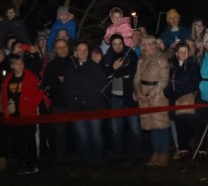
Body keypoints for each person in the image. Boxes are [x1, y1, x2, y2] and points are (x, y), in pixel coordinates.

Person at [63, 42, 108, 167]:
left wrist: (95, 100)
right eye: (80, 50)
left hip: (95, 107)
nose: (82, 52)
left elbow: (103, 85)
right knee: (82, 136)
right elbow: (66, 88)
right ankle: (87, 161)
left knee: (96, 134)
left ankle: (99, 160)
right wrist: (72, 101)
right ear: (75, 52)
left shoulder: (95, 67)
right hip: (77, 109)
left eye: (85, 50)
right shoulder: (70, 68)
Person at [1, 54, 44, 174]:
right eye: (16, 64)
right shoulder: (8, 80)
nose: (19, 66)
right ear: (12, 66)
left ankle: (33, 163)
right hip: (14, 116)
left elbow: (40, 92)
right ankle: (22, 162)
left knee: (30, 140)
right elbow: (4, 97)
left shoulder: (30, 77)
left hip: (28, 115)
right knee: (18, 141)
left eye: (21, 63)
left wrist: (30, 104)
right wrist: (6, 112)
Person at [103, 34, 141, 163]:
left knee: (135, 127)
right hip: (115, 96)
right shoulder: (107, 57)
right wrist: (113, 69)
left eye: (120, 43)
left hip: (130, 95)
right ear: (111, 45)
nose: (118, 47)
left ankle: (137, 154)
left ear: (124, 43)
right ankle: (118, 154)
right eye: (115, 44)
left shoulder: (131, 54)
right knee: (116, 129)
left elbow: (134, 71)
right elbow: (103, 73)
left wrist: (115, 71)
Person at [133, 37, 171, 166]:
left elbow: (164, 80)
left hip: (158, 96)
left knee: (161, 125)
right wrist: (139, 92)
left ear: (155, 45)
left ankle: (164, 153)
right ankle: (156, 153)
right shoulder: (141, 60)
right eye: (146, 44)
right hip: (143, 96)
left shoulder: (162, 59)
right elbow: (136, 79)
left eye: (151, 44)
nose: (149, 46)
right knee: (151, 125)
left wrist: (150, 94)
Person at [40, 37, 75, 164]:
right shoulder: (50, 66)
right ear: (55, 50)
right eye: (59, 47)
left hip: (74, 104)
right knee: (59, 133)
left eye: (64, 47)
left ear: (68, 48)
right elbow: (46, 86)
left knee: (75, 132)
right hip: (58, 104)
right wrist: (55, 89)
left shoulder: (75, 62)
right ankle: (60, 159)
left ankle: (76, 157)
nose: (62, 50)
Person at [165, 41, 200, 158]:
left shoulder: (193, 65)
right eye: (181, 52)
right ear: (176, 54)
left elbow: (195, 83)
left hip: (190, 100)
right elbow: (170, 83)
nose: (184, 54)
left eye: (186, 51)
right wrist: (168, 92)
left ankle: (199, 149)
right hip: (176, 102)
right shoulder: (172, 67)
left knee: (193, 127)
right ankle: (183, 150)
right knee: (180, 127)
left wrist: (179, 92)